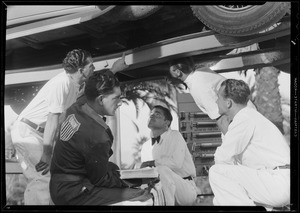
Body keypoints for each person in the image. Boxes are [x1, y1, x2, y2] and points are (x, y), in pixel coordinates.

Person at [10, 49, 128, 205]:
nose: (93, 68)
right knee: (44, 177)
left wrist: (114, 70)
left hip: (38, 133)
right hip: (28, 132)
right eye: (91, 66)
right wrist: (46, 153)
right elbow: (53, 118)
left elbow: (94, 88)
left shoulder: (73, 85)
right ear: (81, 70)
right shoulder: (62, 83)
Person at [49, 70, 153, 205]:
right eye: (116, 98)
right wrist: (138, 180)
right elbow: (100, 179)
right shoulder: (97, 135)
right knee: (139, 196)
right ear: (100, 100)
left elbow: (92, 84)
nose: (120, 103)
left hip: (58, 185)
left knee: (113, 168)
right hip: (72, 193)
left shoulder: (78, 105)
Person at [209, 79, 290, 208]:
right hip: (277, 180)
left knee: (217, 172)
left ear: (228, 102)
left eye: (218, 97)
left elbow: (222, 159)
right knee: (220, 200)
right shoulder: (250, 116)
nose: (216, 101)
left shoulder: (244, 118)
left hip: (277, 182)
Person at [168, 58, 256, 135]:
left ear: (178, 72)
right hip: (247, 114)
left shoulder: (198, 87)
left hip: (243, 124)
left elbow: (222, 119)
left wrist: (231, 147)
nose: (167, 80)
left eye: (167, 75)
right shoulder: (200, 71)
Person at [140, 105, 199, 205]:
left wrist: (153, 162)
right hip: (158, 190)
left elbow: (176, 163)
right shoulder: (145, 146)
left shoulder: (175, 136)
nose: (152, 116)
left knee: (161, 170)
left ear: (166, 122)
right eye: (151, 114)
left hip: (185, 188)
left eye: (157, 114)